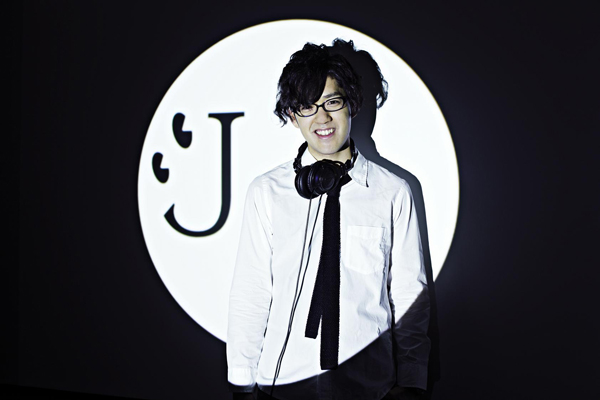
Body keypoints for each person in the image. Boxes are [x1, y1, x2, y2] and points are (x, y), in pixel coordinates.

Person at [227, 39, 430, 400]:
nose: (321, 118)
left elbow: (408, 295)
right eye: (307, 106)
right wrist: (242, 384)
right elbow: (251, 292)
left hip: (369, 388)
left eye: (332, 102)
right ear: (293, 116)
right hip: (282, 389)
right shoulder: (267, 192)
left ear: (351, 104)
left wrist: (412, 382)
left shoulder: (393, 192)